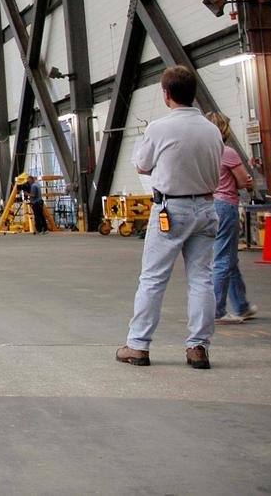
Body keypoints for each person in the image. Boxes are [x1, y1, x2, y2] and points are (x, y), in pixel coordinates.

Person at [117, 65, 223, 370]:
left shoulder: (159, 128)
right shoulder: (211, 129)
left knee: (153, 278)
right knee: (202, 278)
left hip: (171, 210)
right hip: (206, 208)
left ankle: (138, 345)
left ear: (166, 94)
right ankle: (198, 347)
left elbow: (142, 165)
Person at [207, 112, 256, 324]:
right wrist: (249, 183)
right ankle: (217, 310)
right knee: (223, 259)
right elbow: (244, 180)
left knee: (229, 258)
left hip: (207, 205)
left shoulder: (203, 152)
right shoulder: (227, 153)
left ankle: (241, 305)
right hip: (226, 205)